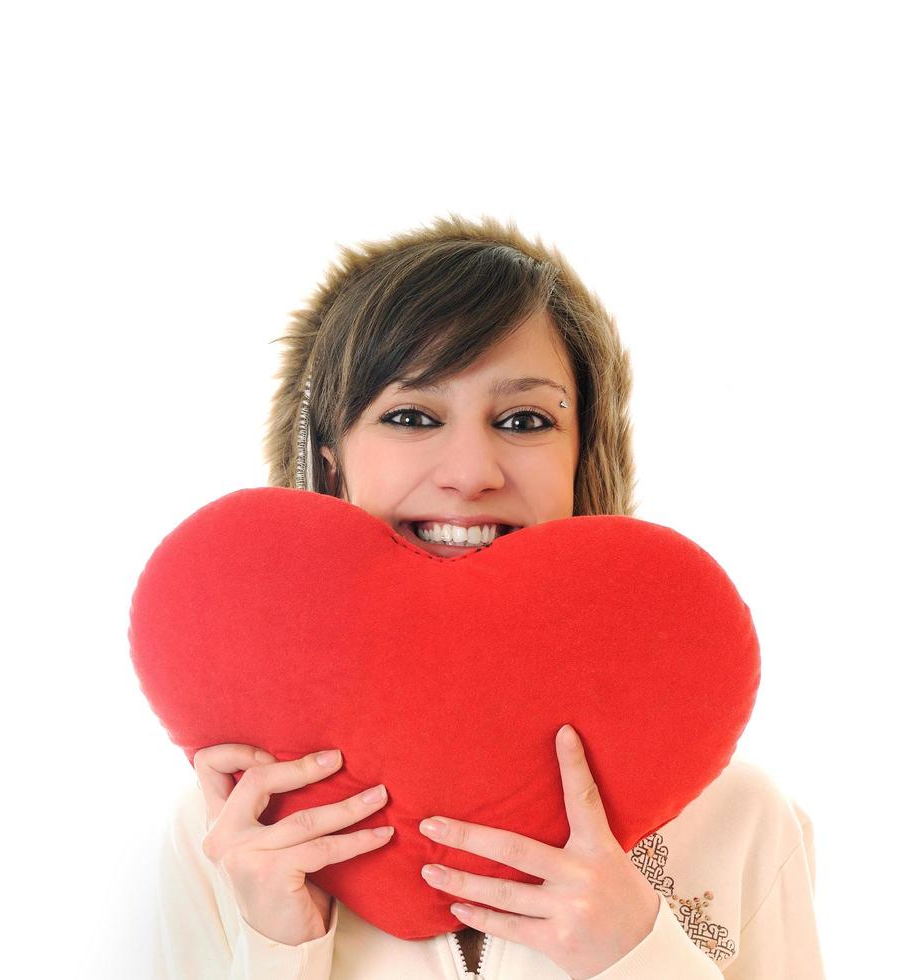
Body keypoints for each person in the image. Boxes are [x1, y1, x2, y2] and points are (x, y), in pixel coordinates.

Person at [154, 215, 825, 978]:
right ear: (332, 464)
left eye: (524, 420)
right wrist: (280, 947)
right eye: (412, 416)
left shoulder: (739, 815)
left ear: (583, 458)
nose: (471, 470)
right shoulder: (232, 829)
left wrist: (640, 956)